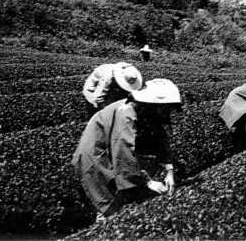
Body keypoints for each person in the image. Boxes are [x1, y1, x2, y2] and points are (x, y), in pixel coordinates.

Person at [72, 78, 181, 220]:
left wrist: (169, 170)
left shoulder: (149, 112)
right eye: (166, 107)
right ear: (154, 104)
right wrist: (148, 182)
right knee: (110, 207)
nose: (167, 111)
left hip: (113, 152)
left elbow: (161, 138)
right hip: (96, 157)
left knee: (132, 197)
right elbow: (123, 151)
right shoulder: (126, 114)